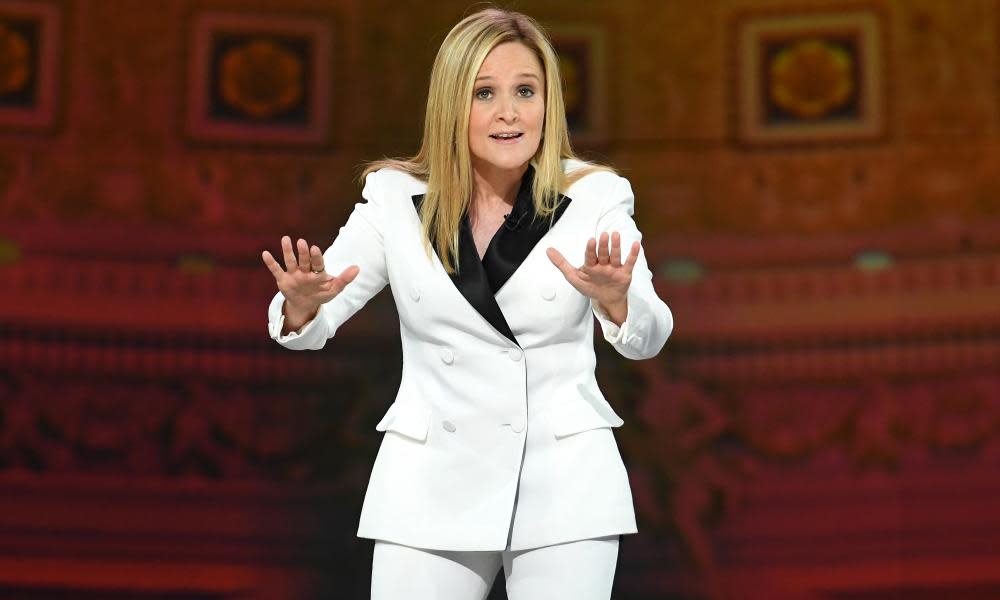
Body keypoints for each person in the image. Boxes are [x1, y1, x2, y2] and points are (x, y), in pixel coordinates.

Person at [261, 8, 673, 600]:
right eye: (486, 93)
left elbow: (652, 332)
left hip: (563, 485)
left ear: (548, 103)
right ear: (453, 105)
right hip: (429, 484)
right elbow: (317, 316)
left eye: (525, 91)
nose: (509, 112)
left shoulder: (593, 197)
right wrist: (300, 303)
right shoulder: (394, 199)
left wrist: (617, 300)